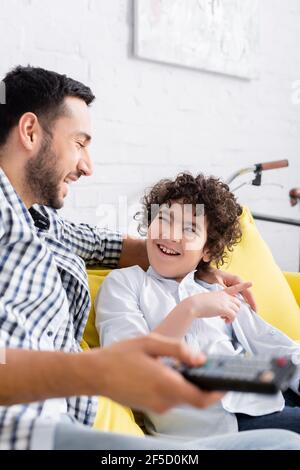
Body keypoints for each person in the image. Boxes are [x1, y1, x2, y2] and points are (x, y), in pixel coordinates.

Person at [0, 66, 299, 451]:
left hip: (73, 421)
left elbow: (102, 242)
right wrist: (98, 370)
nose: (88, 166)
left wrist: (196, 265)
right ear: (29, 131)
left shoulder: (42, 223)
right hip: (28, 428)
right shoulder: (123, 286)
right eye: (80, 143)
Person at [96, 172, 300, 441]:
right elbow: (131, 368)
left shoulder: (215, 288)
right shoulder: (125, 284)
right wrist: (190, 309)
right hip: (222, 424)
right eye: (164, 219)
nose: (170, 235)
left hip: (273, 396)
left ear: (208, 250)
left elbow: (278, 348)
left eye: (189, 229)